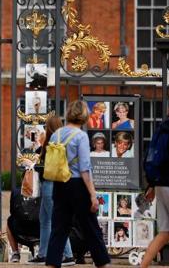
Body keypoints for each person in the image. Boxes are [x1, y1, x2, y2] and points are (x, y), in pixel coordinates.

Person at [45, 100, 110, 268]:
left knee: (59, 227)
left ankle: (52, 263)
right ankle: (102, 262)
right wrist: (93, 194)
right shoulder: (81, 136)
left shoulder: (56, 134)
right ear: (84, 116)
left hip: (59, 184)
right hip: (78, 185)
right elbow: (84, 168)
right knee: (90, 226)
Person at [28, 115, 76, 265]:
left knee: (55, 220)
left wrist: (34, 165)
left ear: (49, 127)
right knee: (45, 219)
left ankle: (68, 255)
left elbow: (49, 166)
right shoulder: (58, 142)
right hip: (51, 183)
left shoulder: (53, 143)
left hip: (50, 184)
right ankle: (43, 253)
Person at [141, 117, 169, 268]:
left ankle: (143, 266)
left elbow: (152, 156)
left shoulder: (161, 129)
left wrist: (151, 184)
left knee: (165, 232)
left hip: (160, 184)